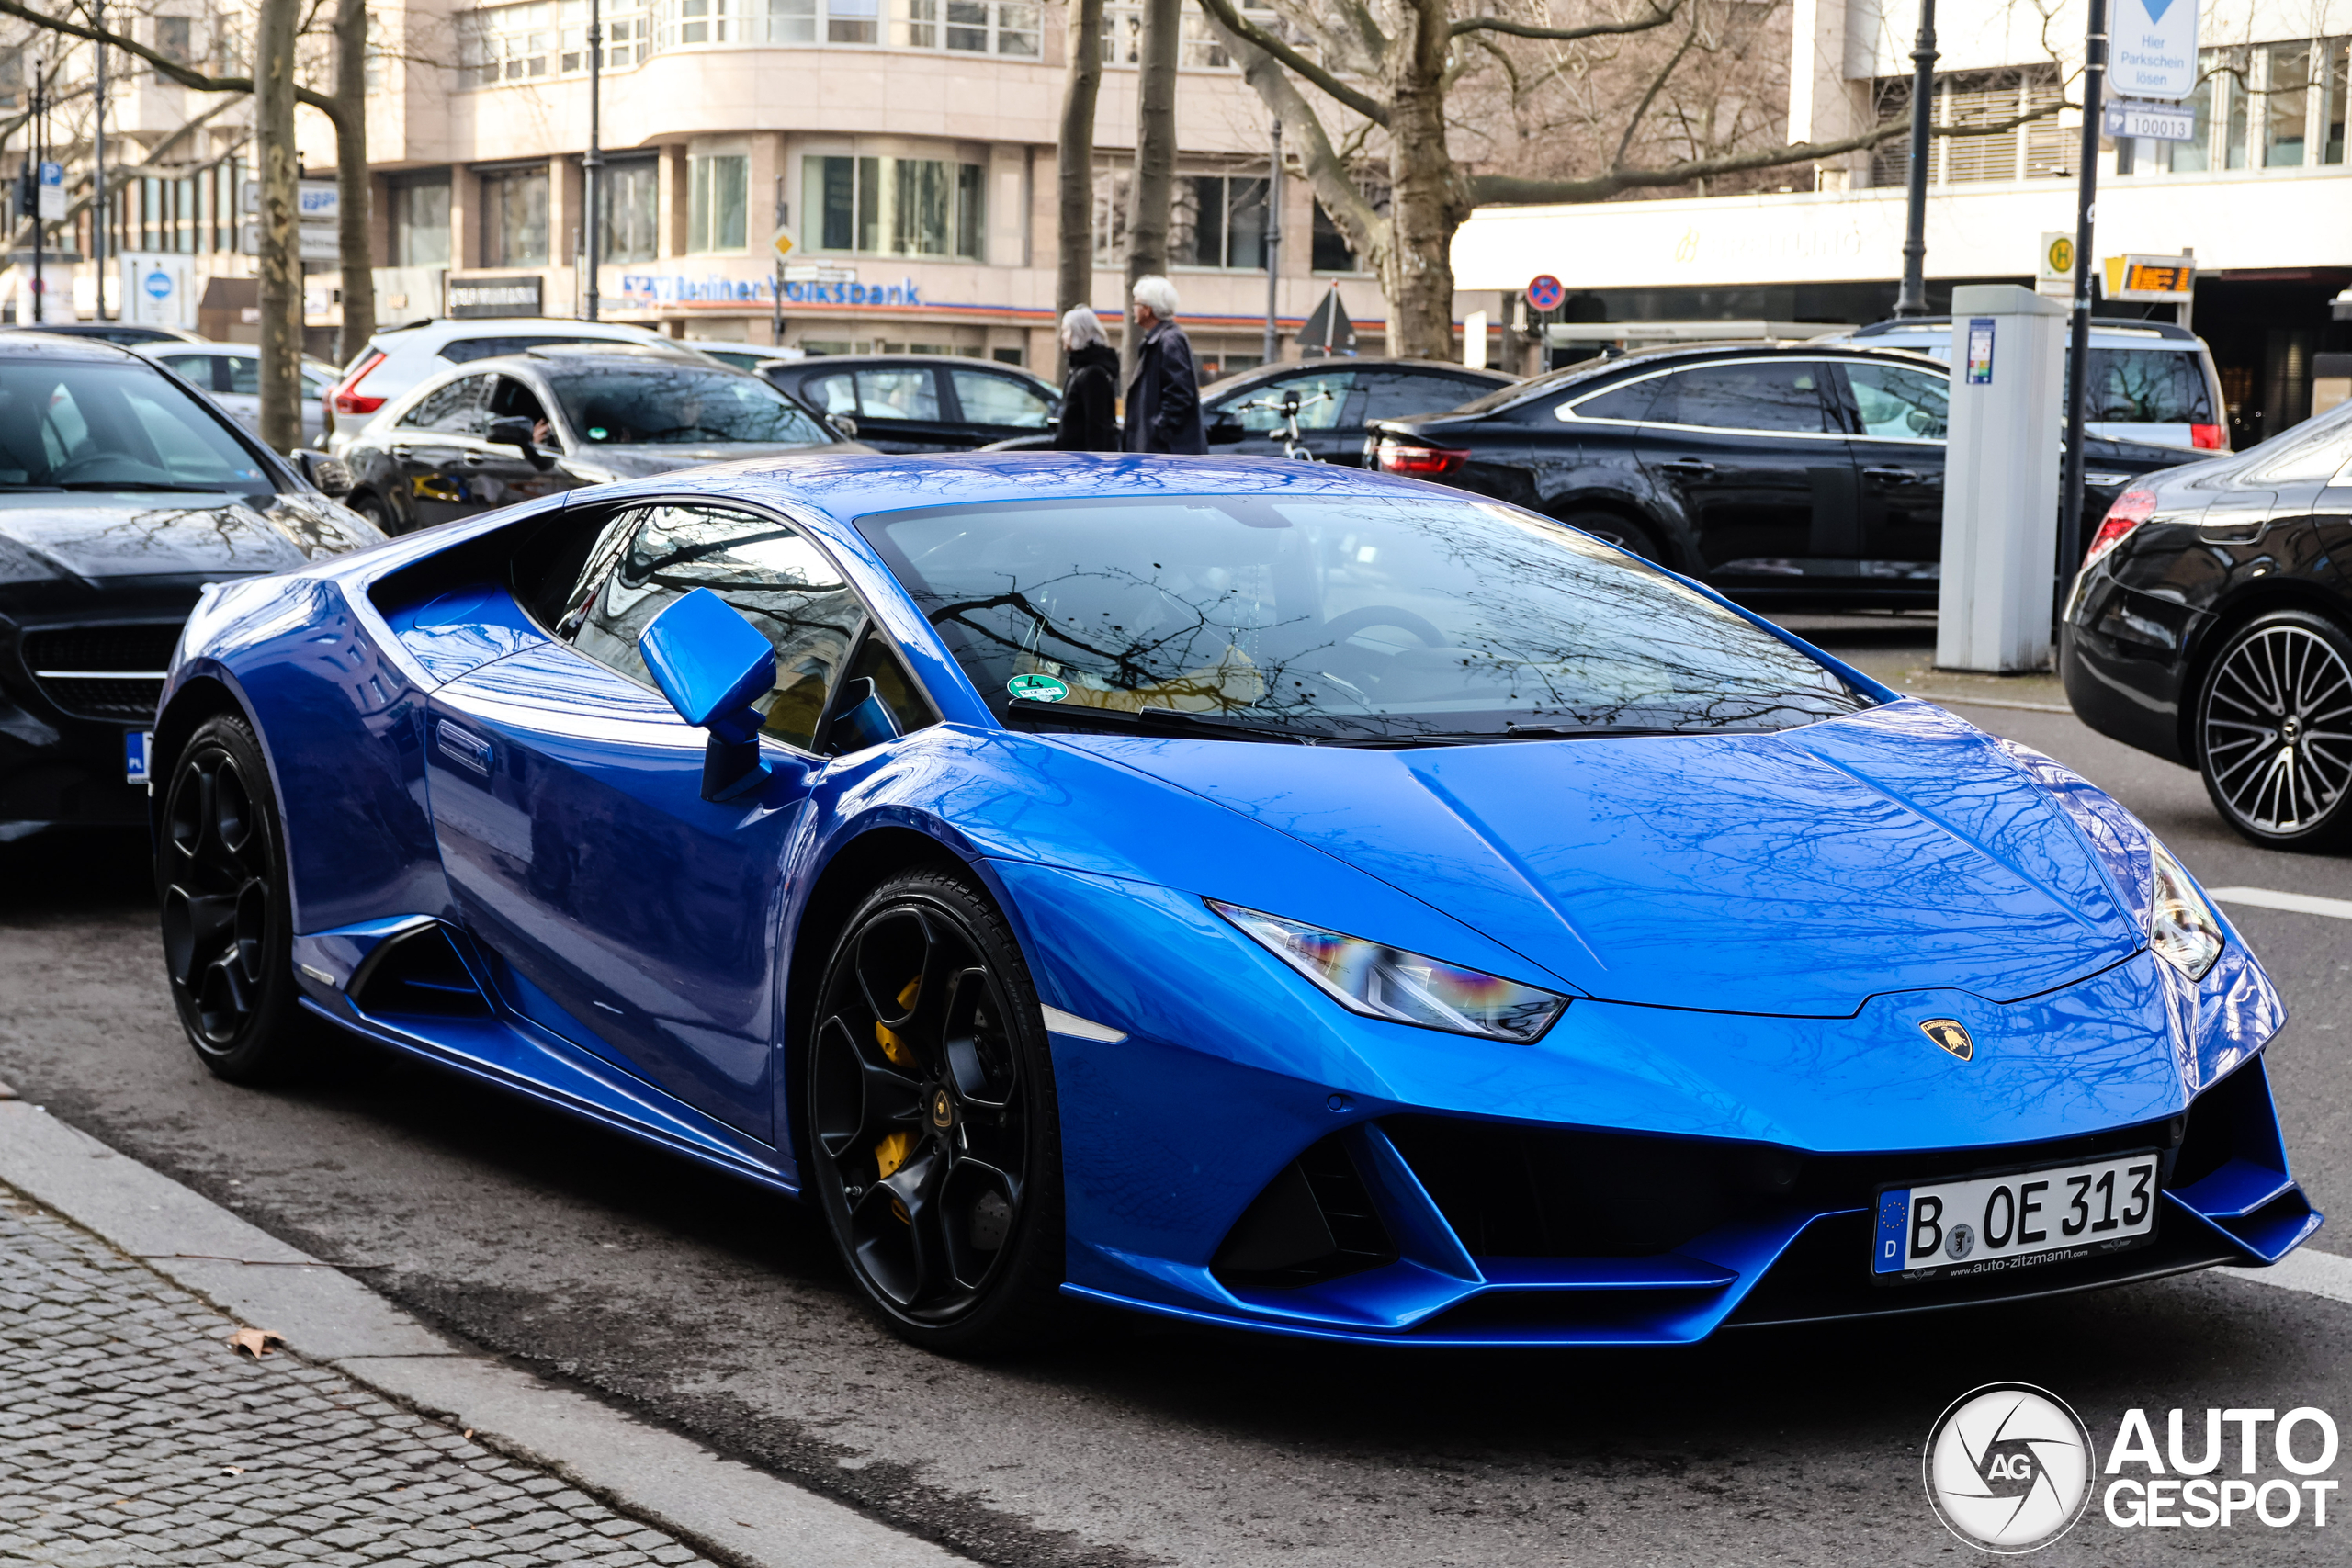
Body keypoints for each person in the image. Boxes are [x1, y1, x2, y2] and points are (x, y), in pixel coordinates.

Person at [1122, 276, 1205, 456]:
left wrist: (1159, 430)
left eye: (1136, 304)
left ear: (1147, 309)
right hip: (1160, 451)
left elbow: (1179, 392)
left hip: (1165, 453)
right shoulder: (1162, 340)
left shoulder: (1169, 341)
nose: (1133, 309)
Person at [1053, 306, 1121, 451]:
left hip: (1084, 463)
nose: (1062, 336)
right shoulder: (1081, 369)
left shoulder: (1093, 375)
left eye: (1065, 331)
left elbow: (1097, 427)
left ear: (1077, 333)